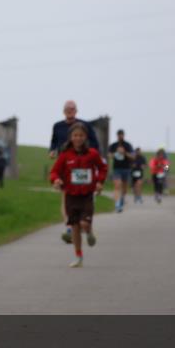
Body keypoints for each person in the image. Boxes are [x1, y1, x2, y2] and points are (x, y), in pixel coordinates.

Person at [50, 122, 107, 268]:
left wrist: (100, 182)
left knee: (83, 223)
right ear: (70, 137)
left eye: (81, 135)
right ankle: (78, 256)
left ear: (85, 137)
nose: (78, 138)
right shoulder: (65, 155)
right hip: (71, 195)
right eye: (75, 135)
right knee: (75, 226)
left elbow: (102, 168)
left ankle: (88, 232)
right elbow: (54, 171)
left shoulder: (92, 154)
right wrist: (56, 180)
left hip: (87, 195)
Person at [49, 101, 99, 243]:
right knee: (65, 198)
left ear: (76, 110)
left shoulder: (85, 125)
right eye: (67, 109)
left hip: (84, 165)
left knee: (86, 201)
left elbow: (95, 143)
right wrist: (52, 151)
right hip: (66, 165)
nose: (70, 111)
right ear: (63, 111)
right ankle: (69, 227)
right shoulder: (57, 126)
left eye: (72, 109)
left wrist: (93, 158)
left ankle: (88, 228)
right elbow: (53, 142)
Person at [107, 129, 134, 212]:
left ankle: (122, 199)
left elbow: (133, 157)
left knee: (124, 188)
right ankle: (117, 204)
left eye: (121, 134)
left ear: (123, 135)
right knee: (117, 185)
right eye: (119, 135)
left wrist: (124, 152)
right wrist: (116, 153)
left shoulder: (128, 145)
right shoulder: (113, 145)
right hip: (116, 169)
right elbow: (109, 155)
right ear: (117, 135)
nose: (120, 136)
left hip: (126, 168)